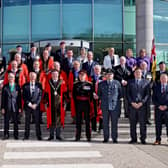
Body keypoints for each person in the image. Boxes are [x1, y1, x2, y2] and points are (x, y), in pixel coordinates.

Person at [97, 69, 122, 143]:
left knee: (114, 123)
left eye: (110, 74)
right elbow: (99, 94)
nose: (109, 76)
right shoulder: (101, 84)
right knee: (105, 123)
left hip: (114, 106)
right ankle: (106, 138)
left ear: (113, 75)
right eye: (107, 74)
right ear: (105, 75)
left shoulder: (117, 83)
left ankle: (114, 138)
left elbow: (120, 94)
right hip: (105, 106)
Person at [127, 68, 150, 144]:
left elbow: (147, 94)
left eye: (139, 72)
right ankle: (133, 139)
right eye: (136, 72)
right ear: (134, 74)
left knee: (142, 124)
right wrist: (132, 103)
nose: (138, 74)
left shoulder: (146, 82)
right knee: (132, 124)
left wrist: (142, 102)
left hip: (142, 106)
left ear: (142, 73)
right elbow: (128, 94)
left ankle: (143, 139)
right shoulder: (130, 82)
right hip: (132, 106)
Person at [45, 69, 67, 141]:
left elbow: (65, 94)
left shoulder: (62, 82)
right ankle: (51, 135)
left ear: (58, 75)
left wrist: (64, 102)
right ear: (51, 75)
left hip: (59, 104)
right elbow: (45, 93)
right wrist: (46, 102)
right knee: (51, 120)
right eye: (53, 74)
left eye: (56, 74)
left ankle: (58, 135)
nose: (54, 76)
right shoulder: (48, 82)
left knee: (59, 120)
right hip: (51, 104)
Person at [73, 70, 93, 141]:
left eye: (83, 75)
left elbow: (91, 95)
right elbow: (73, 95)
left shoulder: (89, 84)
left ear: (85, 76)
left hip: (86, 104)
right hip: (78, 103)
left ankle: (88, 137)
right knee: (78, 121)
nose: (81, 76)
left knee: (87, 121)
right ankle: (77, 136)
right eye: (80, 75)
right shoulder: (75, 84)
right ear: (78, 76)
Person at [22, 72, 42, 140]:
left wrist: (36, 104)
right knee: (27, 122)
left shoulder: (39, 85)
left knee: (37, 122)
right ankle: (26, 136)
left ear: (36, 77)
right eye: (31, 76)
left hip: (36, 106)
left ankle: (39, 136)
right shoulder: (25, 85)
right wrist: (30, 104)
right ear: (29, 77)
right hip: (28, 106)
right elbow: (24, 96)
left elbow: (40, 96)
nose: (32, 77)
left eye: (34, 76)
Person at [1, 72, 21, 140]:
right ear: (8, 78)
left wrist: (20, 107)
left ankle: (16, 135)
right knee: (6, 122)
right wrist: (2, 107)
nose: (11, 78)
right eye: (9, 77)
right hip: (7, 107)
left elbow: (19, 98)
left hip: (15, 107)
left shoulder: (17, 86)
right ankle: (6, 134)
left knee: (15, 122)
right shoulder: (5, 86)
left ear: (14, 78)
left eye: (12, 77)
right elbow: (3, 98)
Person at [153, 73, 168, 145]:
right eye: (162, 78)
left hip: (167, 109)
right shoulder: (156, 87)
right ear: (160, 79)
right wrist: (159, 106)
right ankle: (158, 139)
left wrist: (166, 106)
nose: (163, 79)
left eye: (165, 78)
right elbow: (153, 98)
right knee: (158, 125)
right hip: (158, 109)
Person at [89, 65, 103, 132]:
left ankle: (101, 128)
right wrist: (93, 93)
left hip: (101, 99)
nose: (97, 71)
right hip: (93, 98)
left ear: (100, 70)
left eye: (98, 69)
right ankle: (94, 128)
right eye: (96, 69)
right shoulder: (90, 78)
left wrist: (99, 95)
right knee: (93, 113)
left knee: (101, 113)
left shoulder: (103, 78)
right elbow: (89, 87)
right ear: (94, 70)